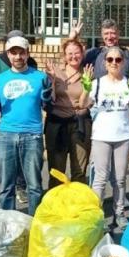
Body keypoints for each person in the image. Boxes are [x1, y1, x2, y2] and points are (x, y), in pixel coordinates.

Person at [0, 36, 51, 216]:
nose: (18, 56)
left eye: (21, 52)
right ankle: (9, 224)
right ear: (8, 55)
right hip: (6, 135)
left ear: (28, 53)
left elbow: (48, 107)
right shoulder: (0, 79)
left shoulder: (40, 77)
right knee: (6, 186)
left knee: (34, 186)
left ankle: (33, 223)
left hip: (32, 135)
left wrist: (46, 96)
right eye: (13, 53)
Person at [79, 47, 129, 228]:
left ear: (123, 62)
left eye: (118, 60)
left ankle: (119, 213)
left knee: (120, 179)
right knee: (99, 179)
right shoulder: (98, 83)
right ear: (104, 63)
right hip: (101, 136)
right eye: (110, 60)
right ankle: (96, 215)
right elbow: (83, 104)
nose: (114, 63)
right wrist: (86, 89)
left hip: (123, 136)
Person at [0, 30, 37, 207]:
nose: (18, 55)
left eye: (22, 50)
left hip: (27, 126)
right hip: (6, 122)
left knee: (23, 159)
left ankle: (21, 188)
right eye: (13, 49)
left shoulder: (32, 64)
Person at [44, 38, 92, 188]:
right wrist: (51, 80)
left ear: (82, 53)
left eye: (76, 53)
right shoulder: (56, 72)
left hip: (80, 123)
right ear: (64, 56)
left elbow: (91, 101)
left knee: (79, 170)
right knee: (57, 171)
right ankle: (56, 206)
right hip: (57, 123)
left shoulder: (88, 72)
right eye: (69, 53)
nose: (73, 56)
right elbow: (50, 100)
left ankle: (77, 207)